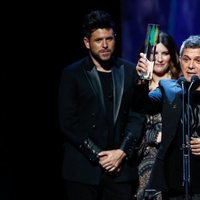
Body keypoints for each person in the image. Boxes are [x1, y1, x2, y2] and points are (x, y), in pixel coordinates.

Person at [58, 10, 145, 200]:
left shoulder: (129, 70)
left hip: (119, 170)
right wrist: (99, 155)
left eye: (109, 39)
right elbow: (67, 122)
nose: (105, 45)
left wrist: (121, 152)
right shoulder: (73, 74)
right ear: (87, 42)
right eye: (98, 40)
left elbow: (137, 115)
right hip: (83, 172)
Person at [135, 35, 200, 200]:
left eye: (198, 60)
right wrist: (143, 79)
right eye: (186, 59)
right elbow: (143, 105)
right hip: (174, 181)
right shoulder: (169, 88)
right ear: (179, 60)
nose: (191, 66)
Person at [134, 31, 181, 200]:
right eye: (155, 54)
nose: (160, 59)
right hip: (141, 161)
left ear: (173, 56)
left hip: (171, 161)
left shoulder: (180, 86)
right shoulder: (138, 85)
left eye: (165, 53)